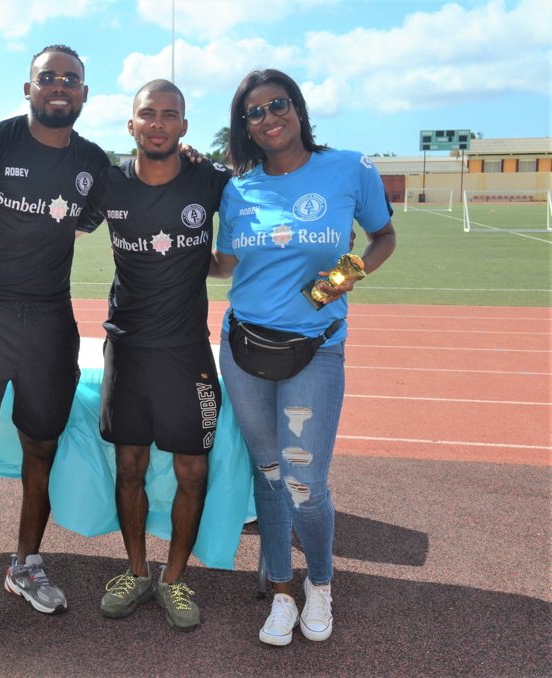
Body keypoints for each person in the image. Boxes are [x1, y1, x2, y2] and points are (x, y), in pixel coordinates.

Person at [0, 44, 111, 643]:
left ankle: (25, 565)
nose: (60, 86)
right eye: (48, 77)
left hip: (51, 324)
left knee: (42, 448)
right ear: (28, 88)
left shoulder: (92, 161)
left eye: (71, 79)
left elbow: (100, 211)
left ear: (85, 94)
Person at [210, 68, 396, 646]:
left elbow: (383, 236)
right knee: (268, 477)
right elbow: (225, 265)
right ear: (245, 126)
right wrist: (174, 249)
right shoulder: (237, 189)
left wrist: (343, 278)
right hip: (243, 346)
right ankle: (282, 590)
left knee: (305, 483)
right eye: (255, 113)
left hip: (316, 350)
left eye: (278, 105)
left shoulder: (348, 168)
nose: (268, 118)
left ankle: (321, 583)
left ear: (298, 109)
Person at [85, 80, 231, 632]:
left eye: (170, 115)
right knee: (130, 466)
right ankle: (136, 570)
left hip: (187, 351)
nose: (159, 123)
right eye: (148, 114)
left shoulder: (210, 179)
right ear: (132, 125)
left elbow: (262, 210)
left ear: (184, 128)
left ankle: (174, 578)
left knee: (193, 469)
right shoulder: (108, 183)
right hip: (127, 347)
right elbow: (59, 222)